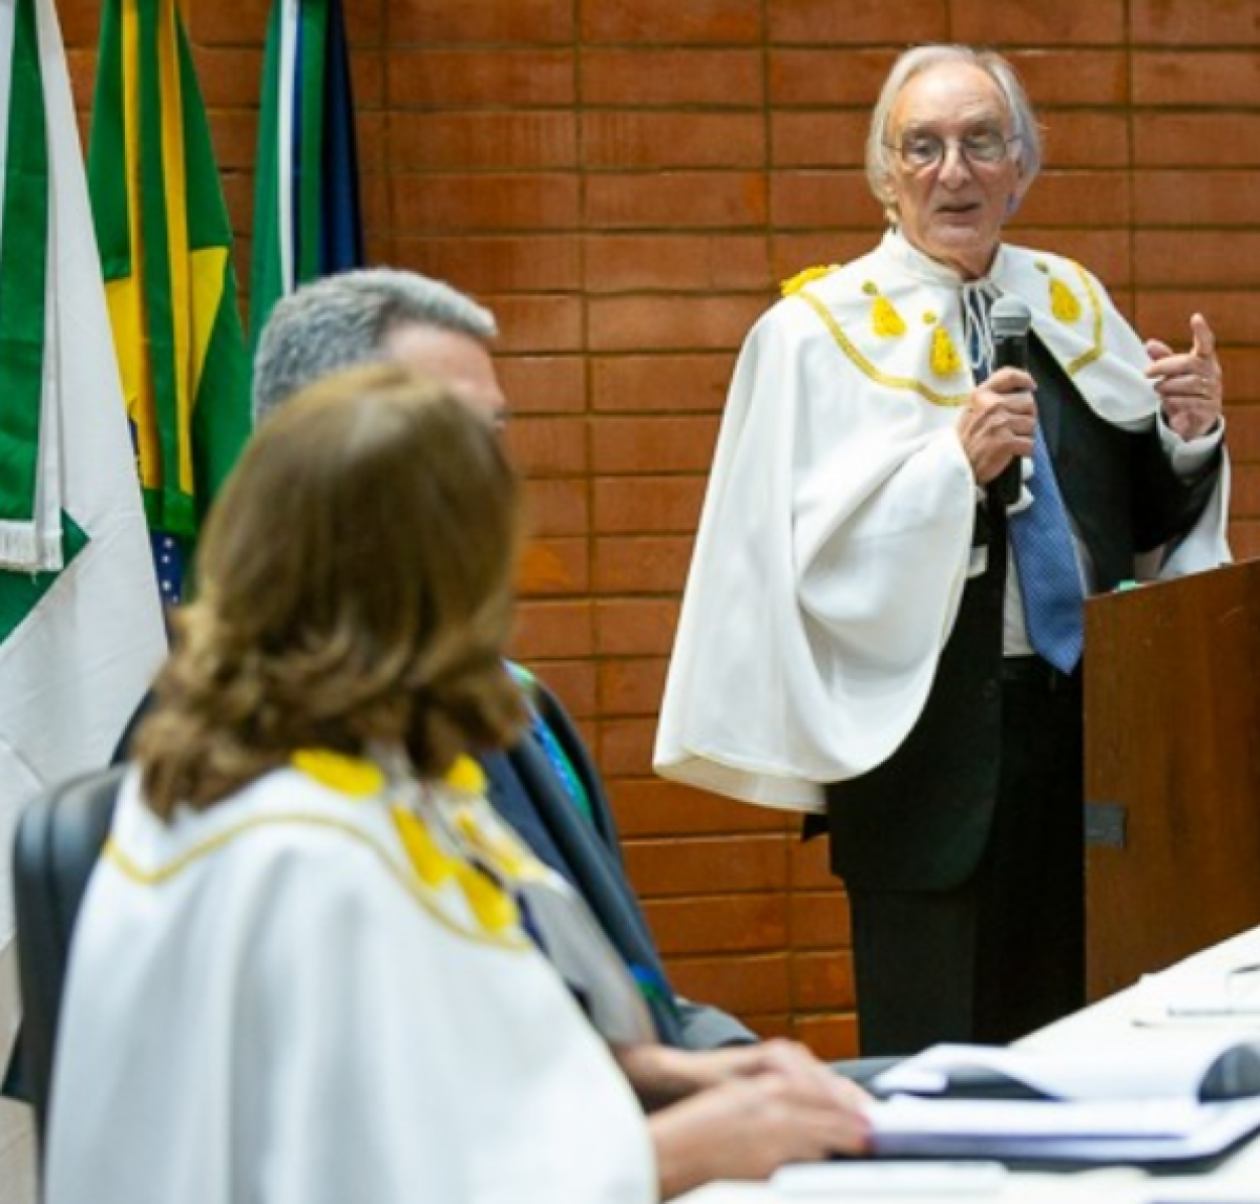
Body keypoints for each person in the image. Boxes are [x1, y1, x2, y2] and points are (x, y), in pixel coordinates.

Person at [45, 366, 871, 1204]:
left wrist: (650, 1070)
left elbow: (441, 1068)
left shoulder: (329, 775)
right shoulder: (305, 860)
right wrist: (689, 1149)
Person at [655, 44, 1230, 1057]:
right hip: (924, 758)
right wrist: (946, 473)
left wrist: (1185, 438)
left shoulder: (1067, 298)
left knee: (1093, 1046)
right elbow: (800, 564)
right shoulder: (810, 335)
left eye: (980, 143)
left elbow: (1128, 522)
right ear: (883, 174)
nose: (952, 172)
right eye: (921, 147)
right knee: (943, 1063)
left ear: (1022, 167)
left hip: (1092, 743)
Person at [248, 268, 760, 1052]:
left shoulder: (509, 707)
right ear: (327, 456)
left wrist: (730, 1071)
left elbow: (613, 997)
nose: (496, 479)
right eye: (451, 436)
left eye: (495, 434)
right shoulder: (246, 746)